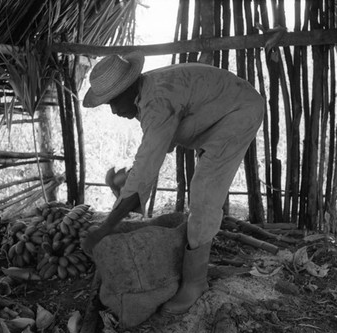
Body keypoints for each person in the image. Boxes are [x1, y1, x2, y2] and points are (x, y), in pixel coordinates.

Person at [81, 51, 265, 315]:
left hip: (239, 112)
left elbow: (149, 162)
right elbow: (155, 149)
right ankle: (194, 268)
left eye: (113, 101)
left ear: (128, 88)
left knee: (204, 193)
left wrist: (106, 227)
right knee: (200, 188)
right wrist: (131, 179)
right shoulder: (149, 93)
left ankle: (195, 283)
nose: (113, 110)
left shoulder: (156, 100)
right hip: (225, 111)